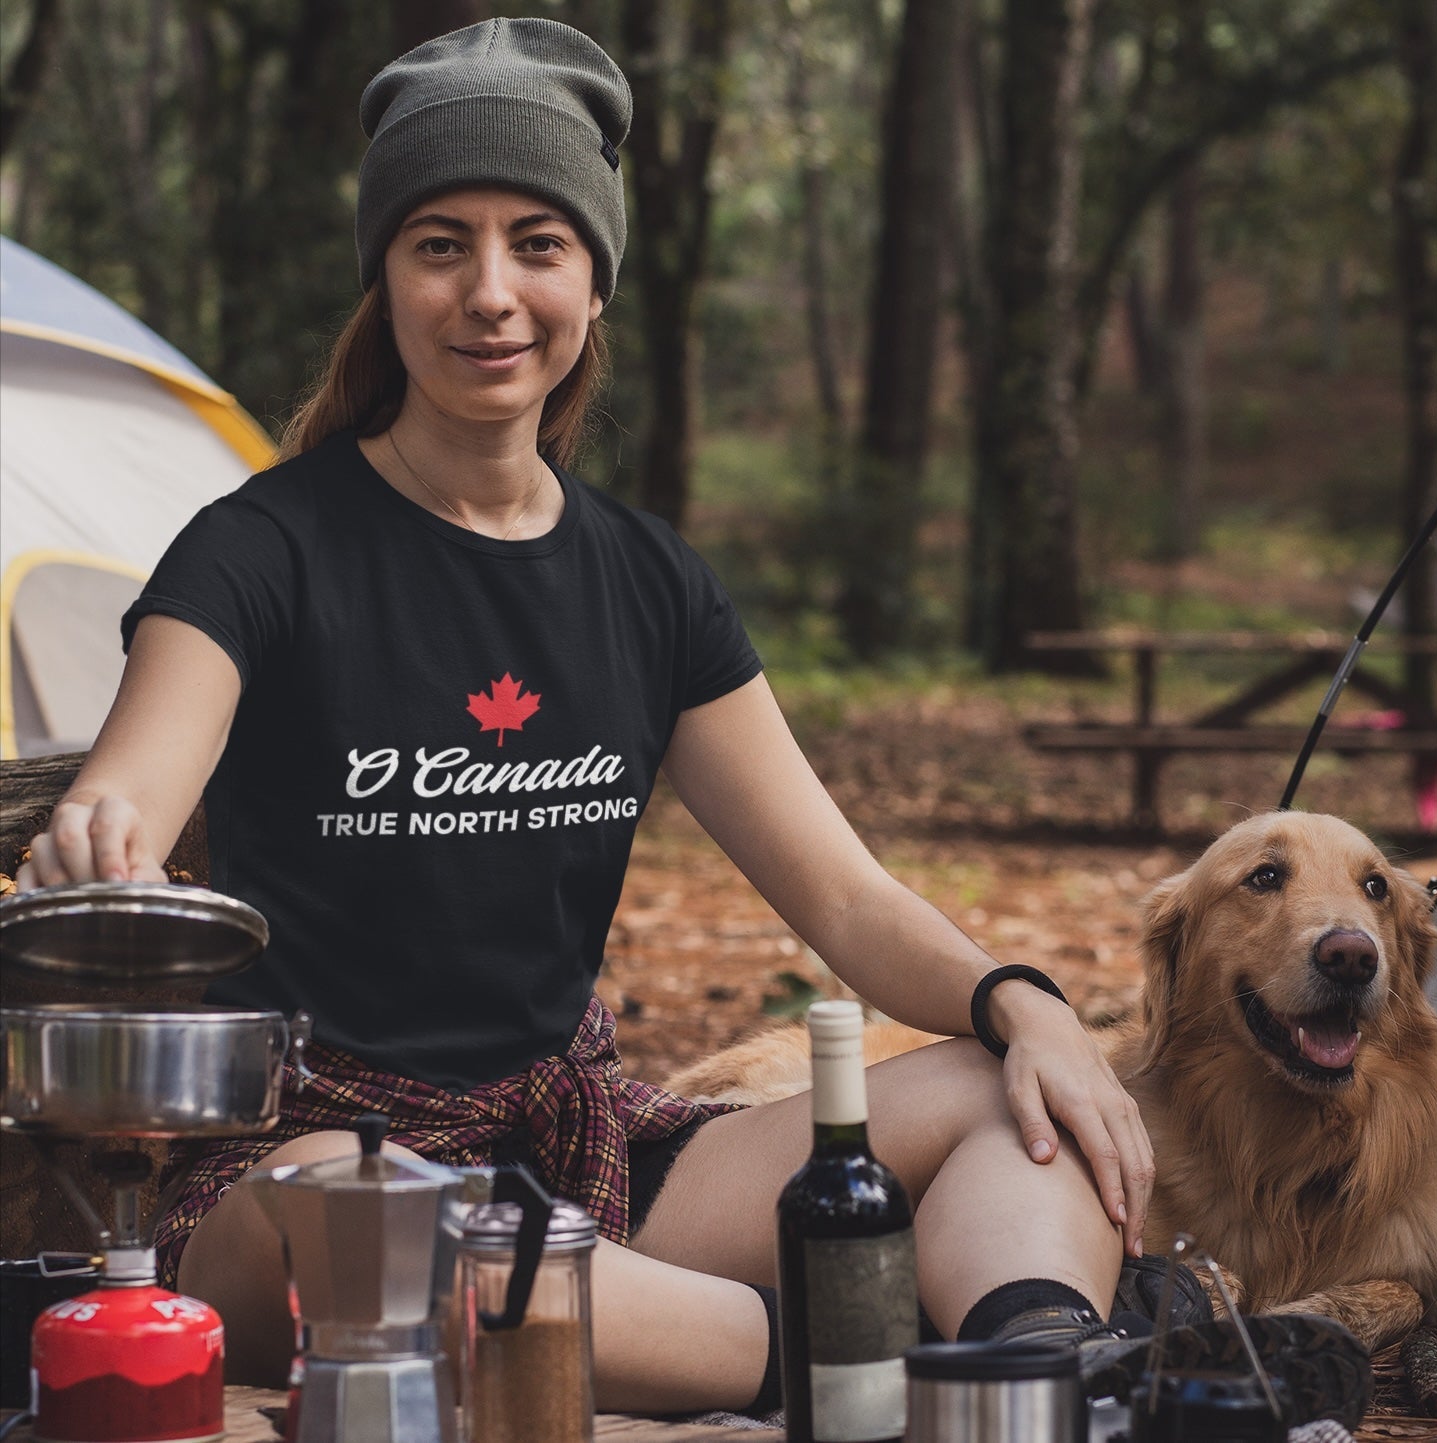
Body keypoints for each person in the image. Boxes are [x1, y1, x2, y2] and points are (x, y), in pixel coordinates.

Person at [19, 16, 1179, 1414]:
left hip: (580, 1156)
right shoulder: (260, 549)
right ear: (385, 277)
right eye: (440, 242)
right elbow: (137, 782)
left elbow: (847, 901)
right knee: (381, 1218)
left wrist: (1026, 1008)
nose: (489, 293)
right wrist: (102, 839)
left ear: (595, 282)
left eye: (538, 244)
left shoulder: (647, 582)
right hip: (300, 1178)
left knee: (1006, 1096)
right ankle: (841, 1367)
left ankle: (1043, 1371)